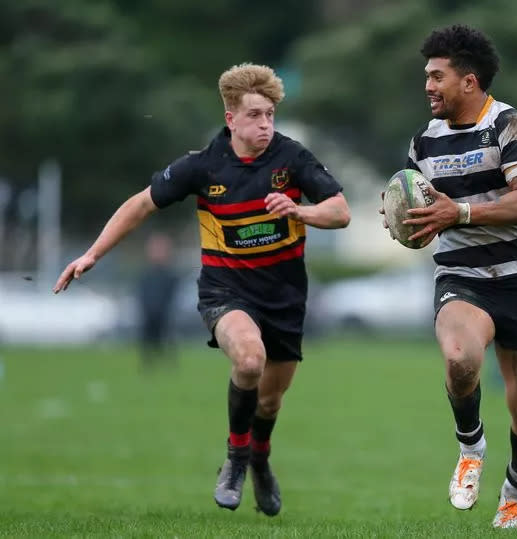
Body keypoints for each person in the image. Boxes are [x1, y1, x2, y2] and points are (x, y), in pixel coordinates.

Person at [53, 63, 351, 516]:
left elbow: (340, 211)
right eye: (255, 115)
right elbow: (140, 204)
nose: (266, 124)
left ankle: (260, 459)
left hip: (286, 297)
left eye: (270, 114)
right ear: (231, 118)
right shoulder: (202, 165)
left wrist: (299, 212)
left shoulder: (292, 158)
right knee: (250, 358)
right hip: (225, 292)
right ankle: (235, 460)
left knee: (270, 400)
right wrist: (93, 254)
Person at [382, 25, 517, 529]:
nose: (429, 86)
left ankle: (514, 493)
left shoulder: (512, 128)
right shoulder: (423, 142)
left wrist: (454, 213)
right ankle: (471, 447)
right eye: (427, 76)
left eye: (438, 76)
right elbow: (417, 204)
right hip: (463, 277)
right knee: (460, 360)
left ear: (470, 81)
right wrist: (403, 219)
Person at [136, 231, 180, 370]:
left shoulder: (171, 275)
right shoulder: (146, 275)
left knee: (167, 338)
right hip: (149, 313)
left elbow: (173, 295)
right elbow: (141, 294)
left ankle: (169, 364)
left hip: (165, 314)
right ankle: (148, 364)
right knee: (147, 339)